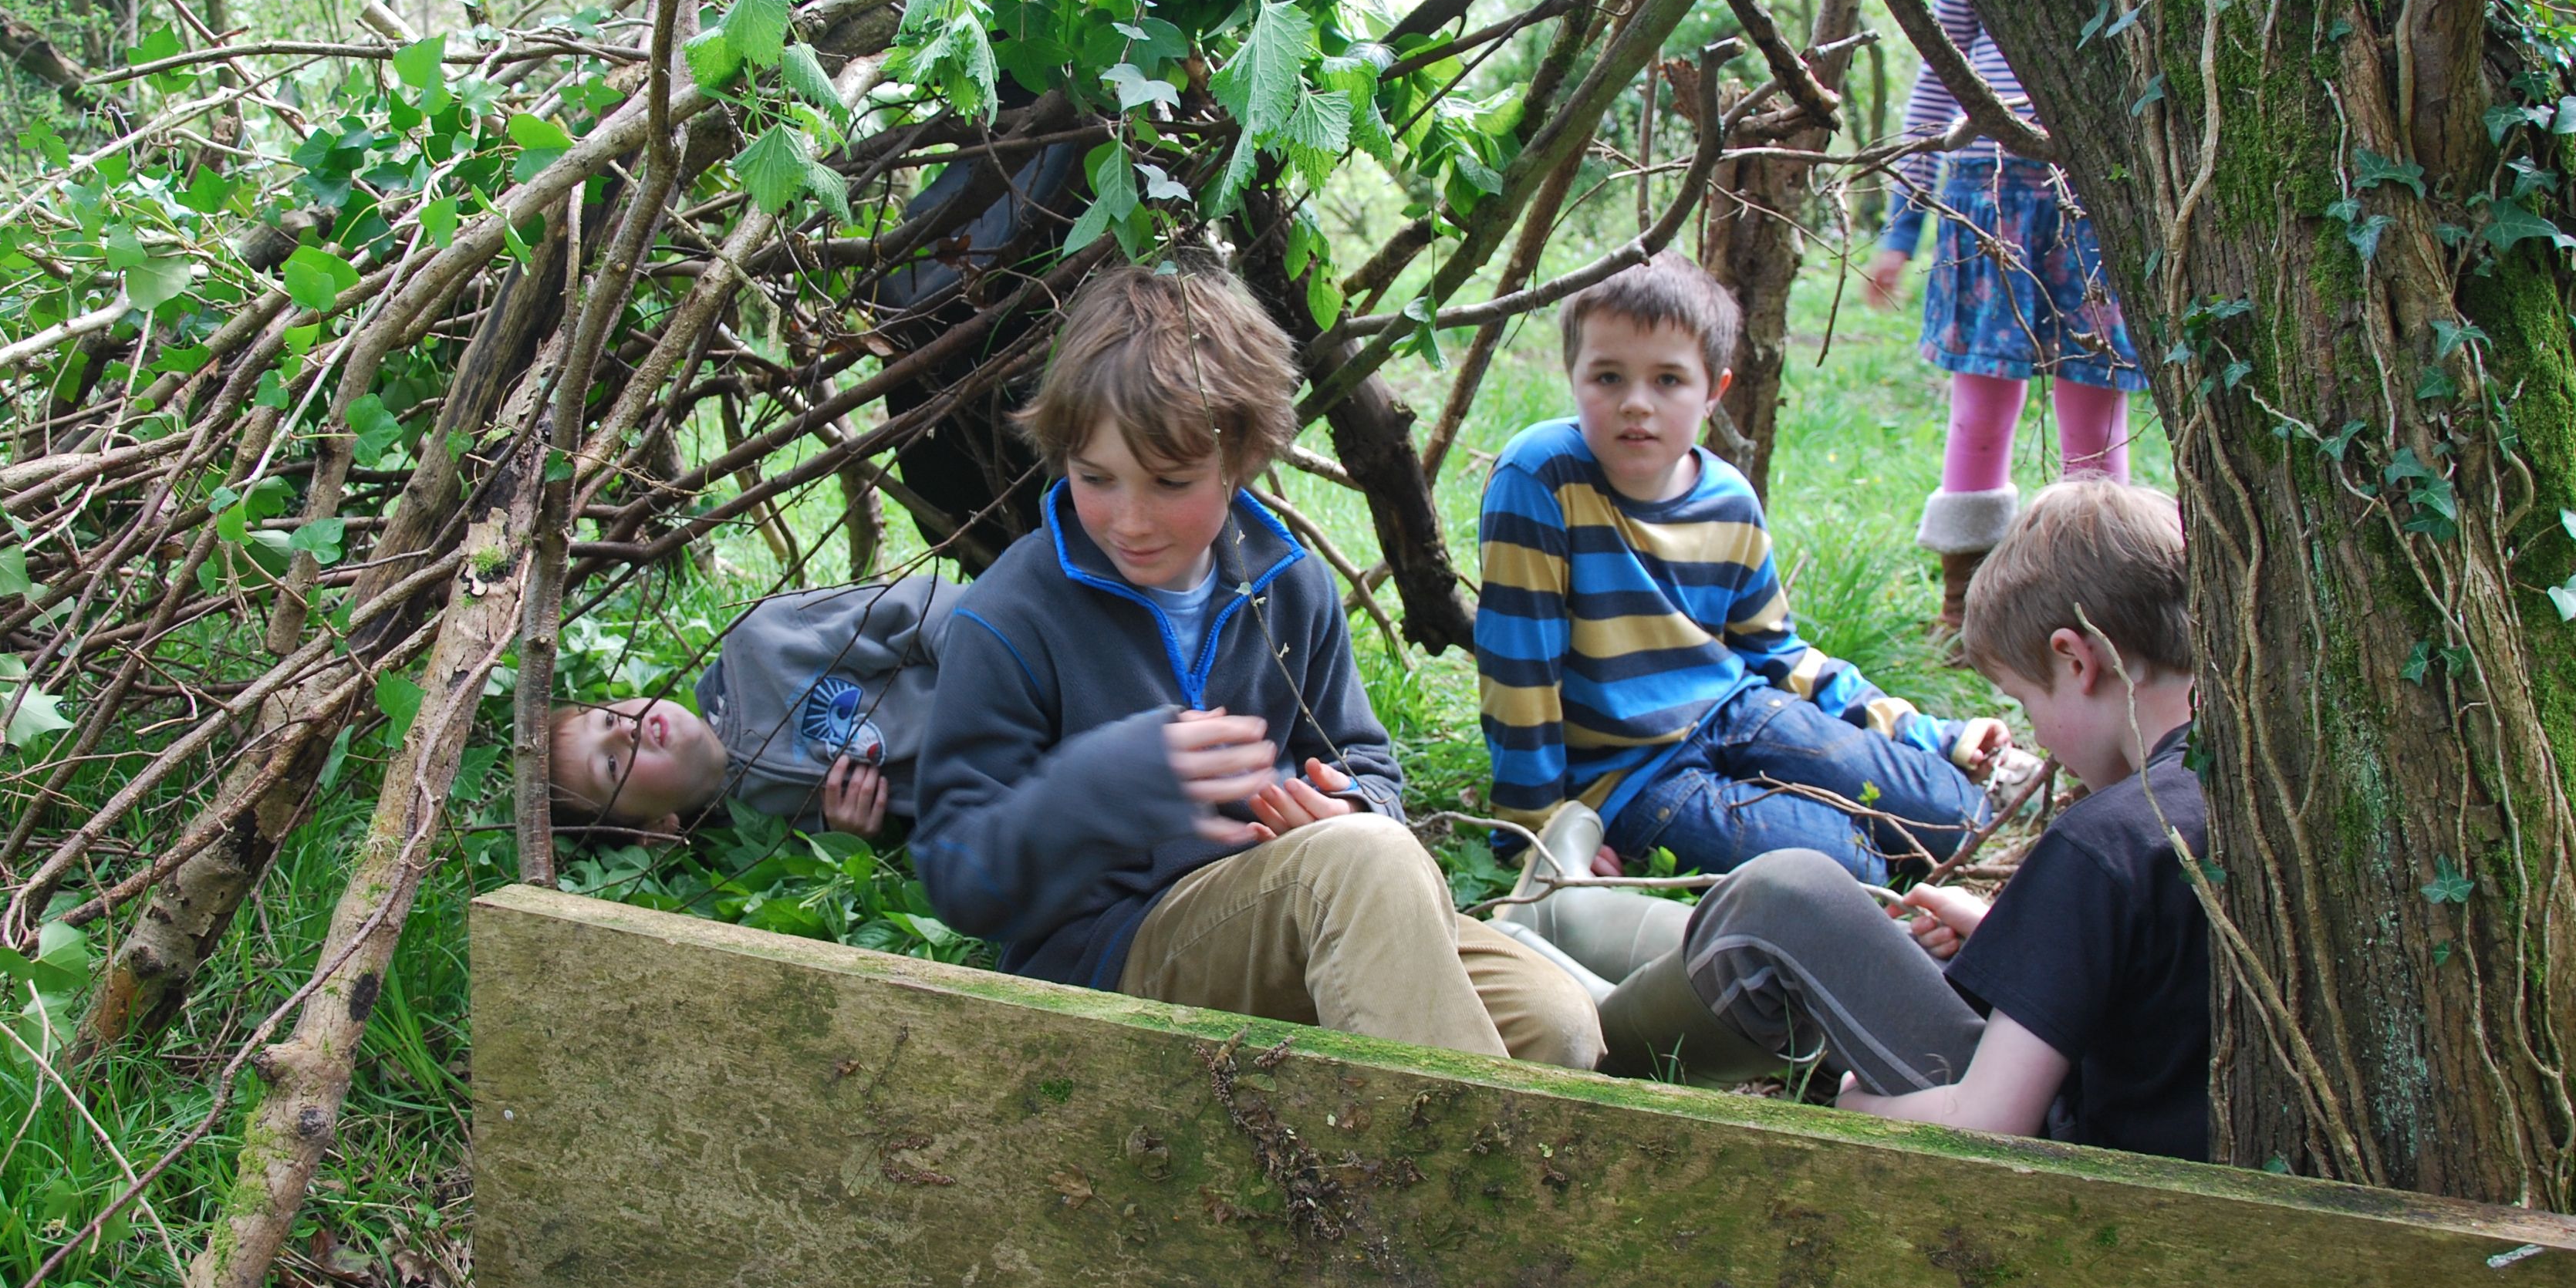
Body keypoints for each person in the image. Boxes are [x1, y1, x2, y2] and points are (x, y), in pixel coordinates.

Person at [912, 263, 1602, 1069]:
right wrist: (1097, 787)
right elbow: (959, 880)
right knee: (1362, 866)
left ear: (1239, 460)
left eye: (1170, 482)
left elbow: (1362, 760)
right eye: (1095, 478)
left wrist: (1348, 806)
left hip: (1299, 904)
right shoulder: (1010, 617)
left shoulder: (1289, 584)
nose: (1129, 519)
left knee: (1554, 1023)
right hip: (1117, 954)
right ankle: (1433, 1178)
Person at [1587, 480, 2214, 1163]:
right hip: (2124, 1126)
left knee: (1784, 901)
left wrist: (1858, 1108)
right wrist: (2021, 940)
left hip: (2068, 1167)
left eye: (2025, 700)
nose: (2036, 731)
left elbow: (1987, 1124)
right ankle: (1565, 964)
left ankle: (1571, 1046)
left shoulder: (2104, 841)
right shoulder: (2236, 790)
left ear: (2076, 659)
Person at [1477, 256, 2006, 886]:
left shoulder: (1728, 497)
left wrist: (1928, 735)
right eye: (1608, 377)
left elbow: (1777, 652)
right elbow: (1519, 667)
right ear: (1573, 377)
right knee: (1850, 869)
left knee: (1957, 814)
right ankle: (1831, 841)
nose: (1636, 404)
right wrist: (1536, 824)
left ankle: (1850, 811)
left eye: (1669, 380)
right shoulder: (1540, 477)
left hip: (1738, 712)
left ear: (1714, 392)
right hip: (1628, 772)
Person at [1870, 0, 2147, 639]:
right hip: (1985, 188)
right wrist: (1902, 225)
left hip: (2095, 188)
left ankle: (2100, 600)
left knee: (2094, 410)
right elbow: (1941, 70)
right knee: (1983, 407)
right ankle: (1968, 608)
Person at [549, 572, 958, 839]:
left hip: (999, 677)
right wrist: (846, 838)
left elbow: (916, 605)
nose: (626, 730)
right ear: (656, 831)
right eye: (611, 766)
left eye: (606, 719)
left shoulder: (761, 644)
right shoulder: (763, 836)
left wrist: (987, 672)